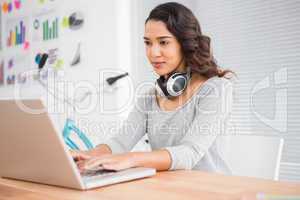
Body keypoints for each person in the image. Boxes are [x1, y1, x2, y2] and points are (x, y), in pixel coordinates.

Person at [72, 2, 234, 174]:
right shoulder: (150, 97)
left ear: (185, 44)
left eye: (163, 42)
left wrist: (131, 158)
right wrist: (87, 155)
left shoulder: (216, 89)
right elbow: (120, 143)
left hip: (211, 190)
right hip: (168, 188)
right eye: (148, 43)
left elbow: (189, 153)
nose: (153, 52)